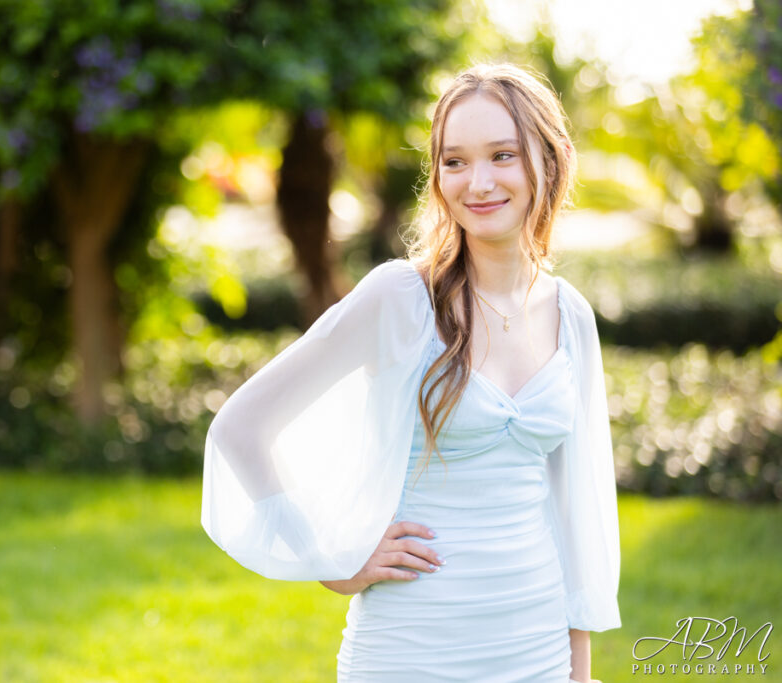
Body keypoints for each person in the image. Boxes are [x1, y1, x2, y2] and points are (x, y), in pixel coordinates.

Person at [201, 63, 621, 682]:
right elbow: (242, 427)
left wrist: (578, 672)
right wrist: (332, 560)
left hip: (536, 649)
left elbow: (577, 512)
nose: (478, 182)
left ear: (549, 163)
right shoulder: (401, 297)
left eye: (502, 155)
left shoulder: (570, 315)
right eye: (454, 161)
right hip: (410, 648)